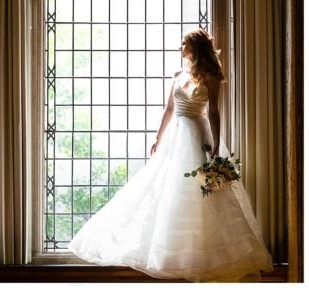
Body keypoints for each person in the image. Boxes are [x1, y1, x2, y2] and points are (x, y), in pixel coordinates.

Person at [68, 28, 273, 281]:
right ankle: (168, 253)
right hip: (175, 135)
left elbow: (214, 113)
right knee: (163, 188)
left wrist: (217, 146)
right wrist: (158, 137)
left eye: (183, 45)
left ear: (194, 48)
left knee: (204, 193)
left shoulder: (211, 76)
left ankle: (202, 255)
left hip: (198, 134)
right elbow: (168, 109)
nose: (180, 49)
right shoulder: (178, 74)